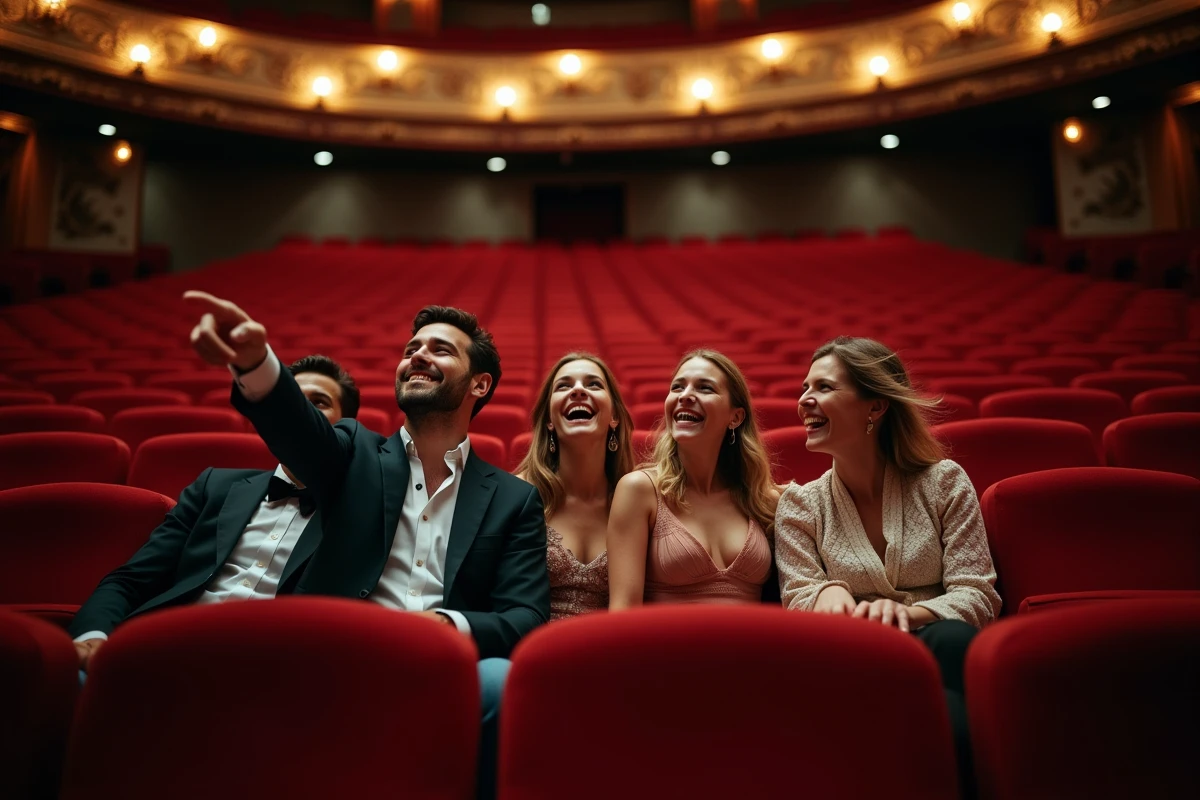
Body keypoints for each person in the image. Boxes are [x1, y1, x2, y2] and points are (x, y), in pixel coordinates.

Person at [185, 292, 549, 800]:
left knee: (499, 682)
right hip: (335, 656)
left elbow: (525, 615)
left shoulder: (513, 498)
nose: (418, 356)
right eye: (411, 348)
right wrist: (256, 363)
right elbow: (297, 428)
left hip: (441, 667)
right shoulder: (352, 452)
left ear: (480, 384)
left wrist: (446, 625)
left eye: (441, 350)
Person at [774, 336, 1001, 796]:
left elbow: (978, 593)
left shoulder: (944, 482)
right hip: (849, 654)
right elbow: (799, 597)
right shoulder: (799, 505)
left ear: (875, 407)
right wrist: (829, 591)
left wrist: (906, 615)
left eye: (823, 387)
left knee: (953, 641)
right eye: (804, 388)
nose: (804, 400)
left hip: (938, 646)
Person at [69, 355, 359, 672]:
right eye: (290, 402)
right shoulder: (215, 486)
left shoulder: (364, 508)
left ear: (346, 430)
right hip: (161, 651)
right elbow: (131, 580)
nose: (296, 413)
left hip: (272, 668)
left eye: (317, 404)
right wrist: (93, 637)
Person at [608, 349, 778, 607]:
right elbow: (623, 610)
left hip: (753, 635)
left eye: (705, 388)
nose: (685, 395)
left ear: (735, 417)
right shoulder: (640, 490)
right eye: (677, 387)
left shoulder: (764, 501)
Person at [516, 353, 633, 619]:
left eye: (593, 384)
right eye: (564, 386)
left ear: (614, 416)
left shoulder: (638, 500)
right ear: (549, 419)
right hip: (533, 641)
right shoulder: (516, 495)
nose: (578, 390)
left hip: (613, 641)